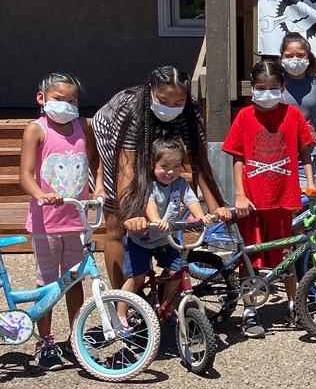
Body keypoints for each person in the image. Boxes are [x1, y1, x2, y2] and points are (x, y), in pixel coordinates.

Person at [91, 67, 228, 294]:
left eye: (178, 102)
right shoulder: (131, 109)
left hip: (162, 147)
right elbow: (126, 168)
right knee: (118, 226)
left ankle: (165, 299)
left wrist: (216, 208)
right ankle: (126, 299)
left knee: (164, 207)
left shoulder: (190, 111)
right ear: (151, 91)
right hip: (113, 139)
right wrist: (131, 215)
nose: (171, 107)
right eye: (163, 100)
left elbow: (199, 161)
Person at [222, 59, 316, 339]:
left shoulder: (293, 115)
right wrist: (239, 194)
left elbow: (305, 152)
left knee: (286, 257)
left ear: (283, 87)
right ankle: (249, 311)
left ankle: (293, 305)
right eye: (261, 87)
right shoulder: (244, 116)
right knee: (250, 259)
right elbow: (237, 157)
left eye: (273, 87)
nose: (267, 92)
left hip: (283, 197)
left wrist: (309, 184)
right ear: (252, 88)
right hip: (251, 199)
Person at [18, 72, 101, 370]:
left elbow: (95, 160)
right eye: (58, 99)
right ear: (41, 99)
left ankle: (74, 336)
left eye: (72, 100)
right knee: (48, 284)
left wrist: (100, 187)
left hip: (76, 219)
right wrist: (41, 194)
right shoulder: (36, 130)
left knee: (74, 280)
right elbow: (25, 175)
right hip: (46, 222)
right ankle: (45, 341)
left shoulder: (83, 126)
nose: (66, 105)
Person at [119, 137, 215, 307]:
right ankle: (120, 315)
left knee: (177, 271)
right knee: (137, 277)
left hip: (165, 239)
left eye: (176, 167)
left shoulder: (180, 184)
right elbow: (150, 203)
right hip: (141, 239)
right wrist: (156, 220)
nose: (170, 172)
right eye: (164, 166)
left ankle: (166, 306)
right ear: (153, 165)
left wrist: (201, 217)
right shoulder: (149, 184)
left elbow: (192, 201)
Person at [279, 32, 316, 185]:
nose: (294, 60)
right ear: (281, 58)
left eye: (300, 55)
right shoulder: (275, 83)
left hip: (307, 157)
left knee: (304, 203)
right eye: (289, 56)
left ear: (308, 57)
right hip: (278, 155)